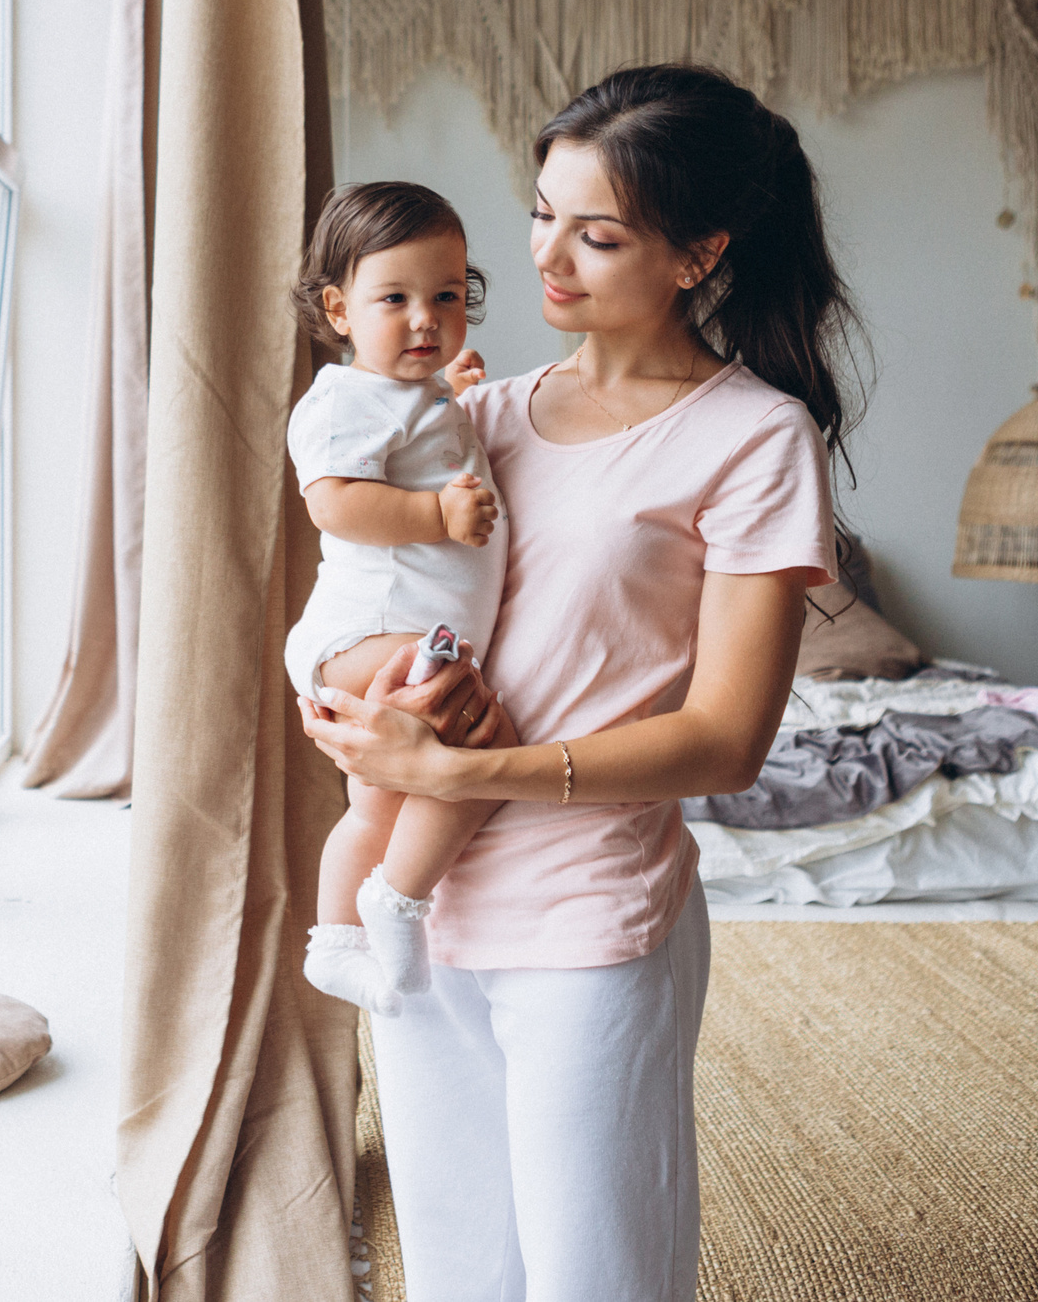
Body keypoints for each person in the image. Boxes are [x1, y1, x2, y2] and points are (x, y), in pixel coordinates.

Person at [300, 63, 861, 1302]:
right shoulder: (474, 415)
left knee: (588, 1277)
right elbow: (371, 592)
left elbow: (724, 743)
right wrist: (341, 706)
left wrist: (462, 771)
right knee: (456, 1270)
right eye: (543, 212)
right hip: (422, 908)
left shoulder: (753, 438)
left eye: (596, 233)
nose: (549, 254)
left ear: (696, 252)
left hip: (587, 915)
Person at [284, 181, 507, 1016]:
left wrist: (454, 390)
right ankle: (398, 900)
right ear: (339, 310)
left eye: (447, 296)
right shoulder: (341, 397)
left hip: (396, 635)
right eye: (396, 298)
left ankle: (336, 941)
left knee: (378, 802)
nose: (427, 317)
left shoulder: (414, 394)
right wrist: (436, 514)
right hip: (373, 630)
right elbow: (334, 502)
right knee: (486, 755)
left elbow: (422, 431)